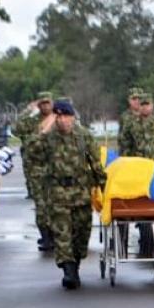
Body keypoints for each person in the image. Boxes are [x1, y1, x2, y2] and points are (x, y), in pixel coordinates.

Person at [35, 100, 105, 289]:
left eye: (67, 116)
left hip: (81, 192)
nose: (63, 120)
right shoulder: (48, 138)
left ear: (73, 117)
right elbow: (32, 152)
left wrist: (105, 188)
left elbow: (96, 164)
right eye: (59, 116)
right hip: (58, 193)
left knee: (82, 234)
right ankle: (69, 271)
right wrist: (44, 129)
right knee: (62, 234)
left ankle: (75, 264)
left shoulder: (83, 136)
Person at [16, 92, 55, 248]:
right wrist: (28, 111)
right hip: (37, 169)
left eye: (48, 102)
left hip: (55, 169)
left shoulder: (58, 118)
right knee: (41, 205)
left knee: (56, 204)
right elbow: (16, 129)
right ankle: (45, 236)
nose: (45, 106)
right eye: (42, 103)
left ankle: (55, 234)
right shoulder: (33, 121)